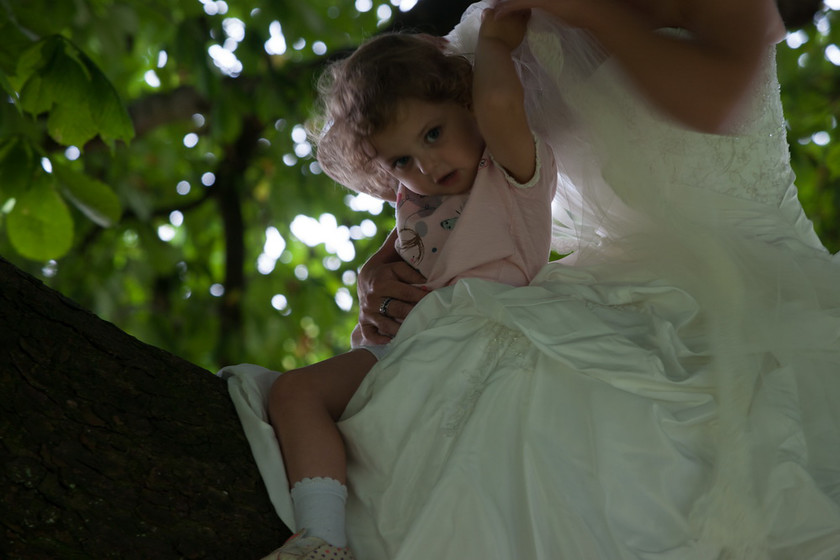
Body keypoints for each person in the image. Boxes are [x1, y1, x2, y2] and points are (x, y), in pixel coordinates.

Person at [219, 1, 840, 558]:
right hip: (585, 288)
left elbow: (717, 99)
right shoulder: (486, 27)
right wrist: (388, 266)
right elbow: (447, 171)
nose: (422, 161)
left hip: (761, 280)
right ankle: (321, 538)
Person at [255, 7, 557, 559]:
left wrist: (493, 45)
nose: (426, 165)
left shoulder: (513, 172)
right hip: (403, 350)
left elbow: (499, 103)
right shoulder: (419, 197)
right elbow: (407, 250)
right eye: (402, 160)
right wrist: (370, 274)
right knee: (292, 392)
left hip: (474, 344)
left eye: (434, 133)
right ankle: (321, 540)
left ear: (466, 100)